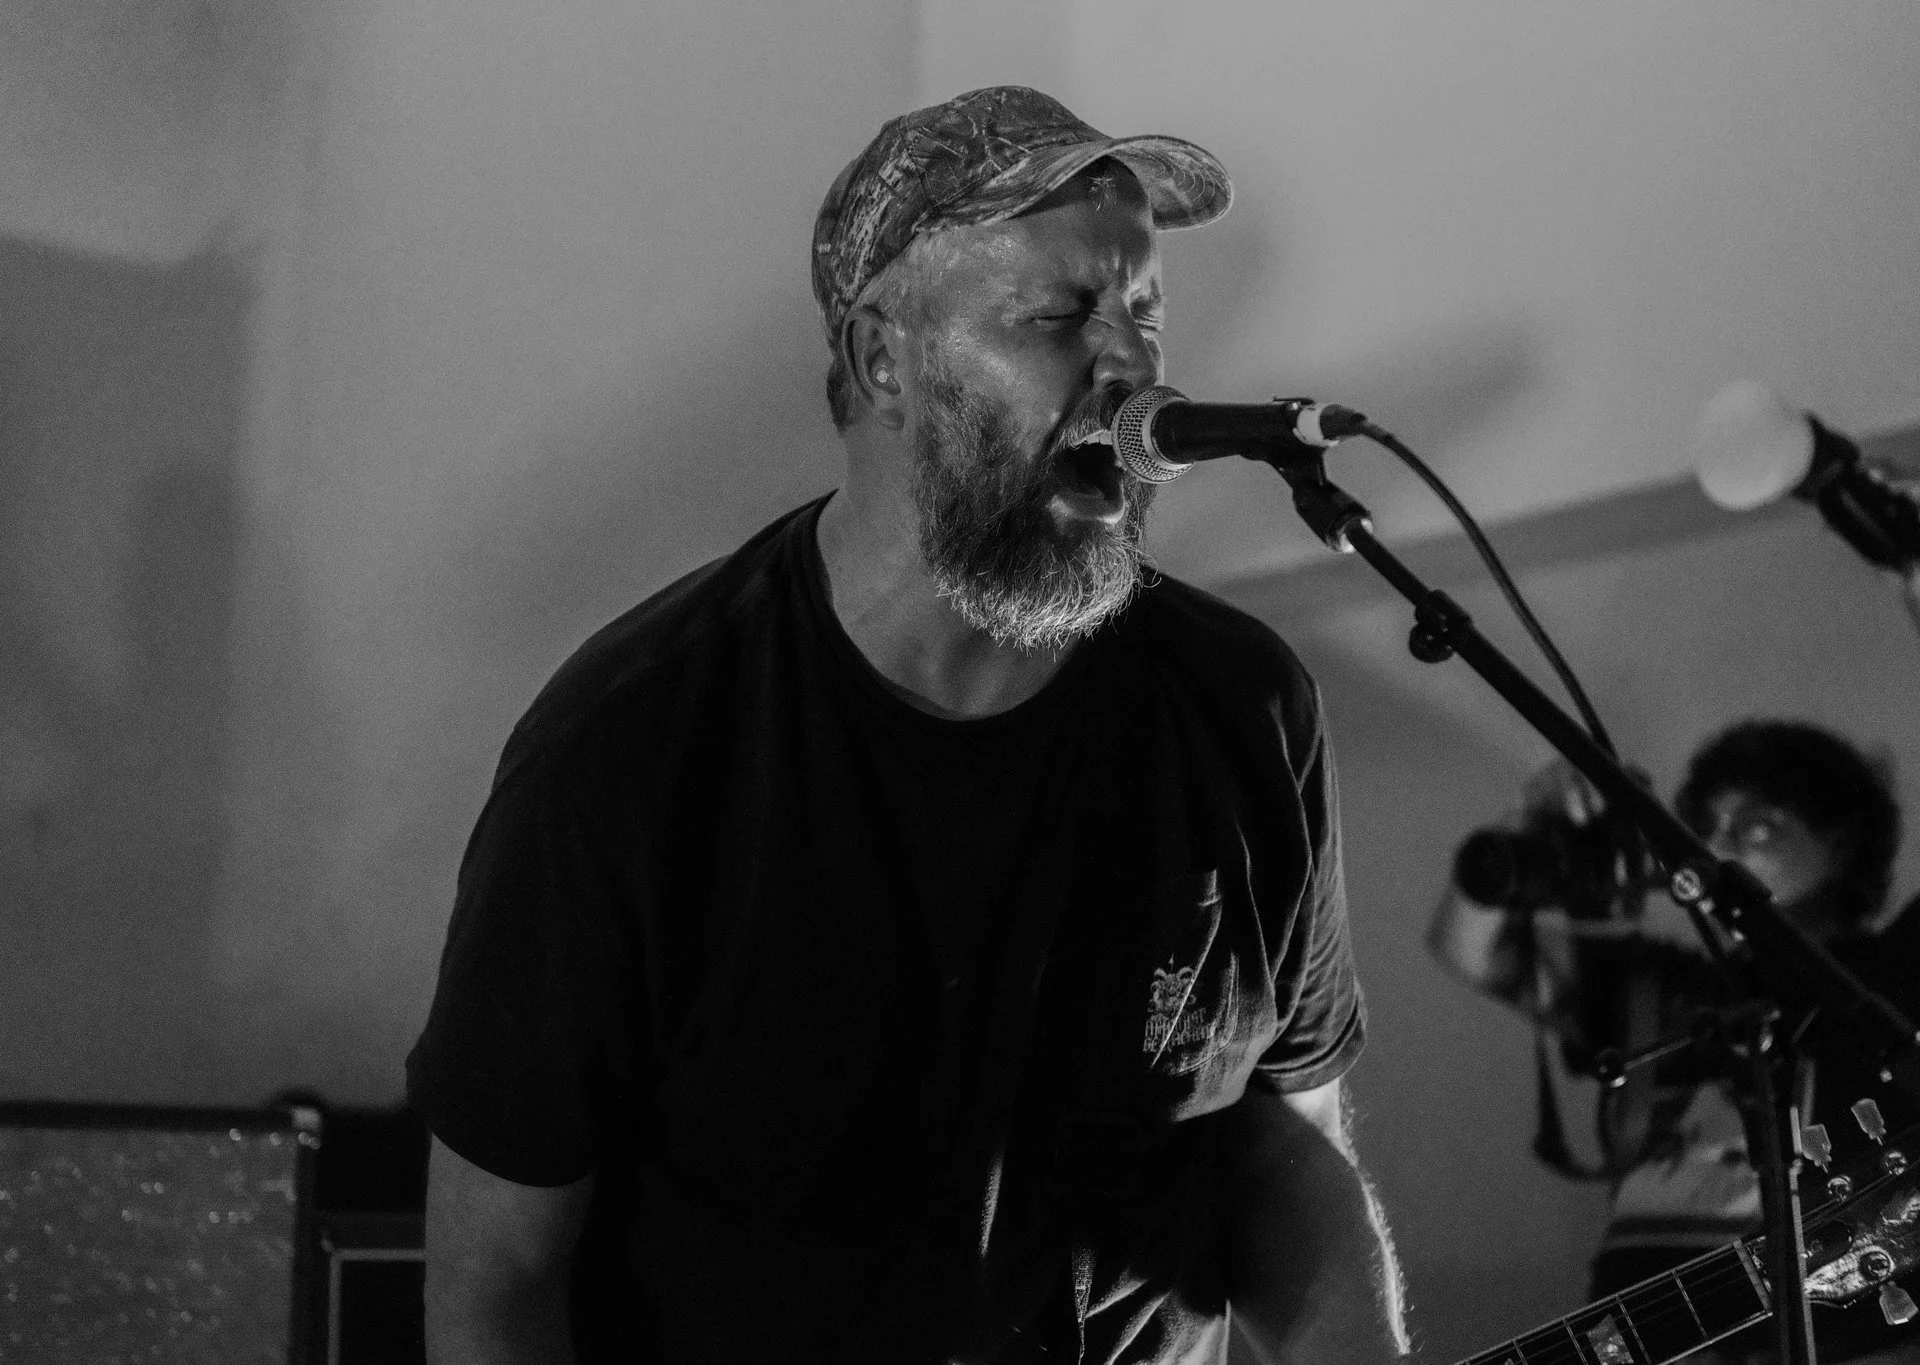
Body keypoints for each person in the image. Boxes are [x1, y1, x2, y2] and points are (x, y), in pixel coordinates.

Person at [408, 86, 1414, 1364]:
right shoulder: (631, 752)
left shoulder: (1241, 706)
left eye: (1144, 313)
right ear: (885, 359)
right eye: (1056, 317)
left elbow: (1274, 1134)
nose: (1131, 367)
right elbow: (495, 1282)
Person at [1428, 472, 1920, 1363]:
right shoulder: (1661, 984)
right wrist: (1524, 832)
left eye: (1760, 821)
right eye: (1709, 822)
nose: (1721, 839)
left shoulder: (1902, 981)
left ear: (1840, 844)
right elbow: (1465, 945)